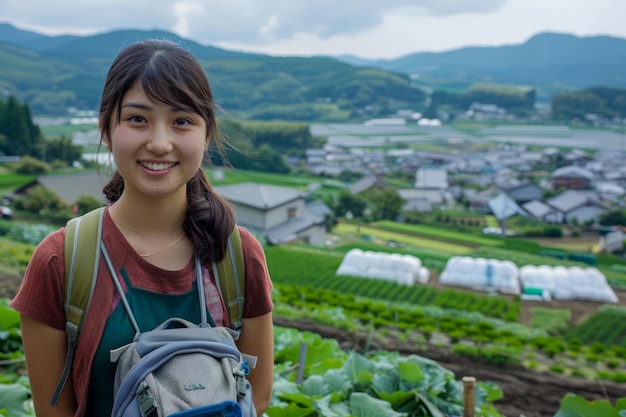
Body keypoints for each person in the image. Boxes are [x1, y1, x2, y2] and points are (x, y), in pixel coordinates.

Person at [10, 39, 274, 417]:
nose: (160, 142)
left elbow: (257, 394)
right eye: (137, 119)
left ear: (207, 133)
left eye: (182, 121)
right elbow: (54, 412)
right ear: (106, 129)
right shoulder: (61, 261)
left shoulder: (237, 254)